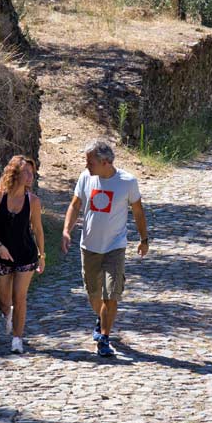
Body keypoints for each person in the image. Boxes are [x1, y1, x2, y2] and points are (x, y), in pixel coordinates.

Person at [61, 140, 148, 357]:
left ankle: (104, 337)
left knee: (112, 293)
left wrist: (143, 239)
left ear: (105, 162)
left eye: (90, 161)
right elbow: (75, 204)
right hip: (89, 246)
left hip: (114, 247)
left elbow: (138, 211)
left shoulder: (127, 182)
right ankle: (102, 318)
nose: (86, 165)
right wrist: (66, 230)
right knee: (93, 295)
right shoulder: (85, 178)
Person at [0, 155, 45, 354]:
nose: (30, 177)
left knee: (20, 297)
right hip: (2, 255)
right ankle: (6, 314)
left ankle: (17, 339)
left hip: (26, 254)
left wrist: (42, 255)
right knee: (4, 299)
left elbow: (38, 229)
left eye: (32, 173)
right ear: (14, 173)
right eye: (26, 172)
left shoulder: (32, 201)